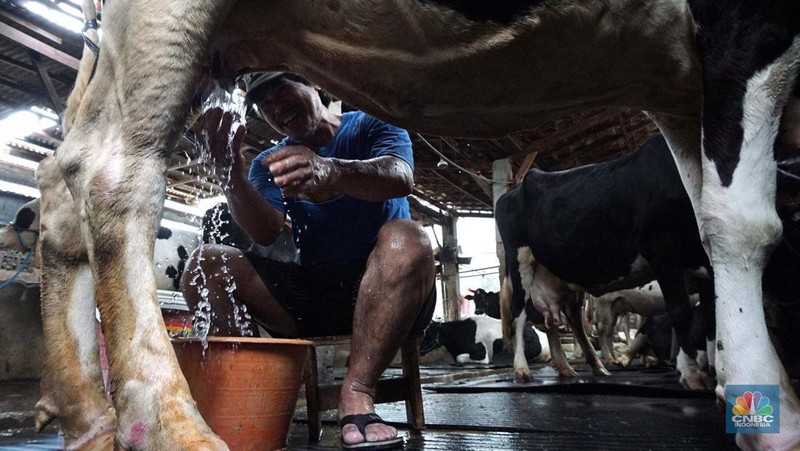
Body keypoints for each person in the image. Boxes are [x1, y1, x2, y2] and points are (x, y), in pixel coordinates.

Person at [181, 71, 436, 449]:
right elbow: (265, 232)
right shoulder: (270, 162)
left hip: (389, 290)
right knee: (206, 264)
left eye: (280, 90)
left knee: (407, 236)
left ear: (313, 82)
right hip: (317, 296)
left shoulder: (368, 122)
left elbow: (400, 177)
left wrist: (331, 171)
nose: (274, 108)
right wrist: (230, 172)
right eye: (263, 103)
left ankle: (357, 392)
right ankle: (255, 393)